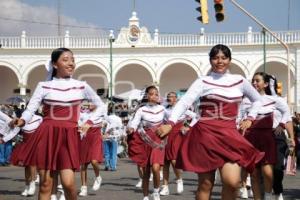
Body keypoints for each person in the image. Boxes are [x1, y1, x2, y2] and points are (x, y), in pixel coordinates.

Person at [157, 44, 265, 200]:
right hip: (205, 136)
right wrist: (171, 123)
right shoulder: (203, 81)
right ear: (210, 60)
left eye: (223, 58)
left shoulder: (239, 81)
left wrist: (250, 118)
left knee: (232, 183)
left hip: (230, 136)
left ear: (230, 60)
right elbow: (184, 102)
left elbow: (257, 100)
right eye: (215, 58)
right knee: (206, 184)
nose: (219, 61)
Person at [10, 47, 107, 200]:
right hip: (47, 135)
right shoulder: (43, 86)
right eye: (65, 60)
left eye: (73, 60)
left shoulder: (81, 86)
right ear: (55, 64)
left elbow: (101, 105)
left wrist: (89, 121)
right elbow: (30, 109)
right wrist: (21, 121)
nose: (71, 63)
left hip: (69, 136)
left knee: (68, 184)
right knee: (46, 185)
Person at [240, 72, 292, 200]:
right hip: (250, 138)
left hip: (267, 138)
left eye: (257, 81)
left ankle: (268, 196)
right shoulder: (245, 101)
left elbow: (286, 112)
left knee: (268, 172)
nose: (254, 83)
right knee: (254, 174)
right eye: (253, 81)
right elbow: (239, 117)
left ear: (266, 84)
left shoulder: (274, 100)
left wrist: (281, 124)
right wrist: (240, 124)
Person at [127, 85, 168, 200]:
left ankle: (156, 191)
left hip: (158, 141)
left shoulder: (162, 109)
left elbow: (172, 120)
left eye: (156, 94)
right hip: (145, 140)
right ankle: (145, 196)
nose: (154, 96)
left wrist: (185, 126)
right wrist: (131, 128)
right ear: (147, 96)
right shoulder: (141, 109)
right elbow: (134, 123)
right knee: (146, 171)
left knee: (155, 168)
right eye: (151, 94)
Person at [160, 91, 198, 196]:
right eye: (168, 97)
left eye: (171, 97)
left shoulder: (182, 109)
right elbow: (162, 121)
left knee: (173, 159)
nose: (169, 99)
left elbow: (196, 117)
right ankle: (165, 187)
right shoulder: (165, 110)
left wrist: (188, 127)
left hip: (177, 134)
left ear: (176, 98)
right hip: (166, 134)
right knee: (165, 162)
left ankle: (179, 179)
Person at [269, 75, 295, 200]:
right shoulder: (255, 99)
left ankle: (278, 191)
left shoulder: (280, 101)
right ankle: (266, 193)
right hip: (260, 136)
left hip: (278, 136)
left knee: (278, 167)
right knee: (263, 168)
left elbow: (288, 120)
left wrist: (291, 138)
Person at [78, 103, 105, 196]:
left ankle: (98, 177)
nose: (89, 104)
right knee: (83, 165)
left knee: (94, 161)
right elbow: (78, 121)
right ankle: (83, 187)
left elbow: (108, 122)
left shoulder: (101, 113)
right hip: (85, 139)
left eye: (92, 102)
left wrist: (106, 128)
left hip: (96, 138)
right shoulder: (84, 114)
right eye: (88, 102)